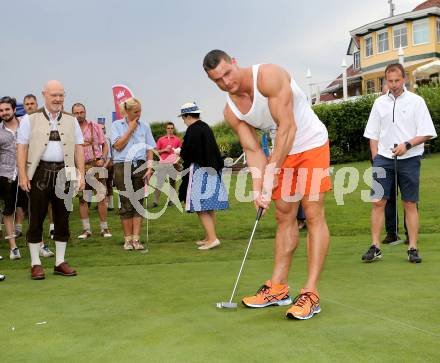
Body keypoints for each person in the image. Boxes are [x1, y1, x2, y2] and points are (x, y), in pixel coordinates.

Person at [204, 50, 331, 320]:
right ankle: (278, 287)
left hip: (311, 144)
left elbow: (288, 127)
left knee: (312, 212)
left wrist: (272, 172)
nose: (226, 82)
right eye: (217, 80)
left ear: (235, 62)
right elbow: (251, 149)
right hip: (281, 153)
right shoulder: (231, 110)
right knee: (284, 214)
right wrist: (260, 187)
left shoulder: (268, 76)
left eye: (227, 73)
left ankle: (310, 293)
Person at [362, 63, 437, 264]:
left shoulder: (417, 101)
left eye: (397, 80)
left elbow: (427, 132)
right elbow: (372, 134)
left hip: (410, 159)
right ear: (385, 80)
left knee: (410, 203)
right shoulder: (379, 103)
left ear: (404, 79)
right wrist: (375, 157)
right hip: (383, 160)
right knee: (378, 202)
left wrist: (407, 144)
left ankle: (412, 247)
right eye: (390, 80)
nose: (394, 84)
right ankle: (375, 246)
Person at [16, 80, 85, 280]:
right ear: (44, 95)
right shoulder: (30, 118)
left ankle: (60, 262)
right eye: (54, 95)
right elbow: (22, 146)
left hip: (65, 172)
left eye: (61, 95)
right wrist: (22, 174)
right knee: (36, 218)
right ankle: (35, 263)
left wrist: (80, 174)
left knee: (63, 217)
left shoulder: (72, 120)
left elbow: (79, 147)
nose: (57, 99)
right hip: (39, 172)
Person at [177, 102, 229, 250]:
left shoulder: (192, 130)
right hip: (212, 170)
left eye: (183, 117)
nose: (183, 120)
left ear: (187, 116)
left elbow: (188, 152)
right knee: (208, 206)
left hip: (200, 171)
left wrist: (179, 154)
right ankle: (209, 236)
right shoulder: (205, 127)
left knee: (200, 206)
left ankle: (212, 238)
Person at [111, 97, 155, 251]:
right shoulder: (117, 125)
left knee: (138, 203)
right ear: (127, 111)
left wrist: (149, 168)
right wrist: (130, 129)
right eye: (136, 111)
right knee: (126, 203)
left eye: (140, 111)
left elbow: (150, 149)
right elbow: (118, 146)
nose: (139, 114)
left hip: (140, 165)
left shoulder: (145, 126)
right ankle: (127, 240)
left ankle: (136, 239)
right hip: (122, 166)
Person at [20, 94, 55, 257]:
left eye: (32, 103)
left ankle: (40, 242)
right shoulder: (20, 122)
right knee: (29, 210)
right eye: (26, 104)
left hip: (41, 171)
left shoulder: (43, 121)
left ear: (37, 104)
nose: (29, 106)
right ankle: (35, 243)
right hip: (22, 172)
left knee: (40, 208)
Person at [72, 103, 111, 239]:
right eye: (76, 113)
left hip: (96, 164)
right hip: (79, 166)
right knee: (83, 199)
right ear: (73, 114)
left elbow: (105, 144)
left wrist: (103, 157)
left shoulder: (94, 126)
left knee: (101, 197)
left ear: (85, 112)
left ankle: (104, 228)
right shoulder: (70, 128)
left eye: (81, 112)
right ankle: (86, 230)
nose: (79, 115)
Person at [0, 96, 22, 260]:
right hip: (6, 176)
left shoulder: (26, 126)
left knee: (34, 210)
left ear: (14, 110)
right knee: (8, 211)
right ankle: (13, 247)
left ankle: (40, 245)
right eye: (1, 110)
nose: (4, 113)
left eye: (7, 109)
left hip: (27, 175)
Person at [152, 122, 182, 208]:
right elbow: (156, 152)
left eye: (171, 128)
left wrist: (177, 159)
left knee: (172, 183)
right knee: (159, 183)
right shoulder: (161, 139)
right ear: (166, 129)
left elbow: (180, 152)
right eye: (168, 128)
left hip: (173, 164)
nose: (170, 130)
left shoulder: (177, 140)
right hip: (163, 163)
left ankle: (171, 201)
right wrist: (164, 150)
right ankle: (155, 202)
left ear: (173, 129)